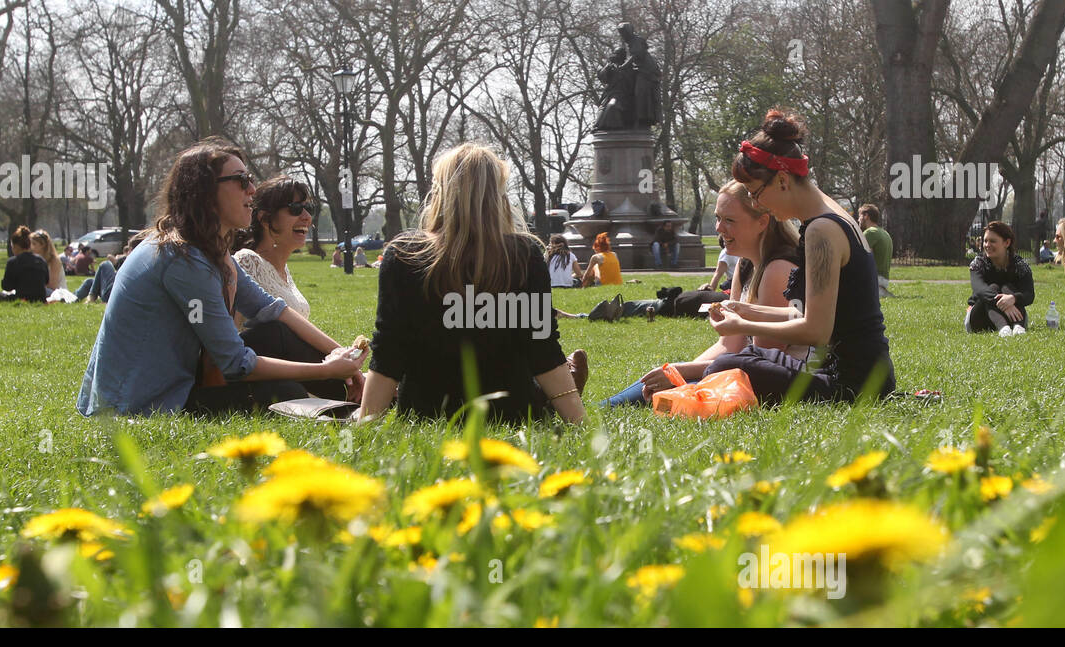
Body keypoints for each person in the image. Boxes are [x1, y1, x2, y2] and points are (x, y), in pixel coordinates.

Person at [77, 138, 364, 416]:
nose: (252, 189)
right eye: (241, 180)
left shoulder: (209, 250)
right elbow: (236, 363)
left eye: (249, 178)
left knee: (276, 333)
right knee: (282, 391)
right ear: (203, 192)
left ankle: (369, 395)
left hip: (177, 385)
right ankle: (357, 404)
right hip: (142, 402)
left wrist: (345, 359)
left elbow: (273, 309)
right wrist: (327, 370)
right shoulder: (183, 259)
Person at [358, 143, 587, 424]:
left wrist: (365, 422)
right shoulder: (524, 256)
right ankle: (567, 386)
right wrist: (580, 423)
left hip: (426, 413)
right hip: (511, 413)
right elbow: (542, 350)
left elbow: (388, 353)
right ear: (498, 196)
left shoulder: (404, 255)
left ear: (440, 193)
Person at [705, 108, 895, 404]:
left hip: (852, 383)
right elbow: (809, 314)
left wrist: (741, 326)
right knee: (749, 355)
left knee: (724, 366)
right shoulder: (829, 215)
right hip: (864, 374)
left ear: (782, 180)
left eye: (756, 193)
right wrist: (744, 310)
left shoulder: (821, 230)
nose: (758, 204)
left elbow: (816, 330)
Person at [604, 180, 808, 406]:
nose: (719, 228)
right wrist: (676, 373)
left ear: (762, 222)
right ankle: (592, 408)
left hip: (778, 382)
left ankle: (592, 409)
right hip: (746, 373)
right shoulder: (746, 264)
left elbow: (757, 360)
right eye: (718, 217)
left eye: (729, 220)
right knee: (661, 388)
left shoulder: (778, 269)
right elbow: (729, 345)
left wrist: (678, 373)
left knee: (675, 396)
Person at [233, 175, 314, 319]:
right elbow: (234, 332)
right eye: (295, 208)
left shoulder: (284, 270)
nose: (307, 217)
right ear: (265, 219)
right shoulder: (248, 262)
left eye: (308, 208)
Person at [966, 221, 1034, 336]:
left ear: (1007, 243)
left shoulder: (1020, 265)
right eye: (985, 241)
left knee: (1008, 287)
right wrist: (1003, 303)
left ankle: (1018, 327)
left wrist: (1013, 298)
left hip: (1014, 318)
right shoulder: (978, 263)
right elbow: (980, 290)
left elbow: (1029, 294)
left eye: (992, 241)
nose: (987, 245)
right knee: (993, 287)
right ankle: (1004, 329)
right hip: (979, 319)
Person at [0, 225, 49, 303]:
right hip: (41, 299)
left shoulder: (13, 262)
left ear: (16, 246)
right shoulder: (41, 260)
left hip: (21, 298)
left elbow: (7, 287)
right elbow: (46, 281)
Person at [859, 204, 893, 298]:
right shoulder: (884, 233)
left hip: (874, 279)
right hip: (884, 279)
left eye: (860, 216)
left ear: (866, 216)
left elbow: (859, 257)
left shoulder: (870, 232)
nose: (858, 219)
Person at [30, 229, 71, 300]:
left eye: (34, 244)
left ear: (43, 245)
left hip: (57, 293)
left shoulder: (54, 260)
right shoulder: (33, 259)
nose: (31, 247)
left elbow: (53, 286)